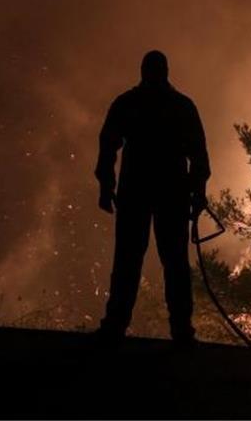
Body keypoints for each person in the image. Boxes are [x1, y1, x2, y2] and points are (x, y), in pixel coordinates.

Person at [93, 50, 210, 345]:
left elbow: (108, 146)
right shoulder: (181, 106)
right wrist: (198, 193)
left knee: (131, 261)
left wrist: (106, 187)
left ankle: (116, 326)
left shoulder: (129, 103)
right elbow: (198, 156)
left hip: (139, 192)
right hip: (168, 194)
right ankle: (181, 331)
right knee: (171, 263)